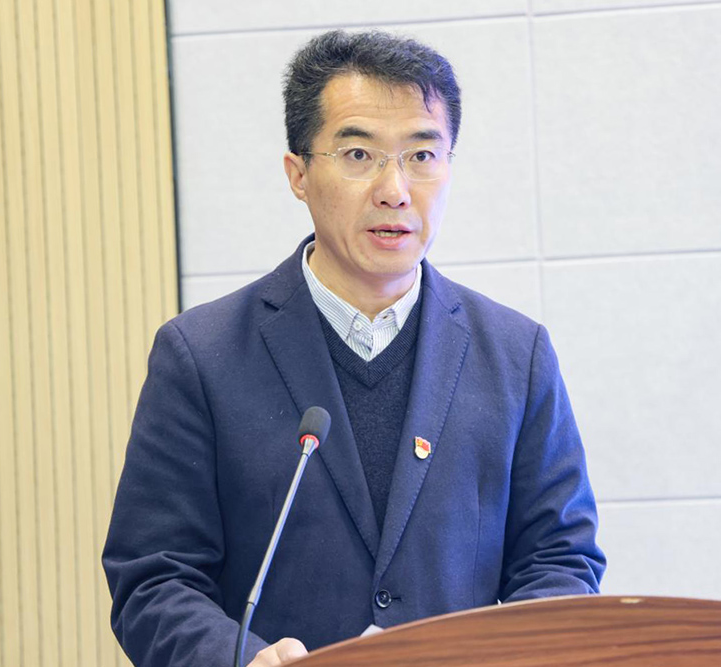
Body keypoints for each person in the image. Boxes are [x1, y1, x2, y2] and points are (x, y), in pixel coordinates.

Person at [103, 30, 605, 667]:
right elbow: (154, 578)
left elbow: (560, 558)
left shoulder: (515, 354)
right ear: (298, 175)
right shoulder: (201, 356)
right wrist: (242, 659)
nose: (395, 189)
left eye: (422, 155)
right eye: (359, 154)